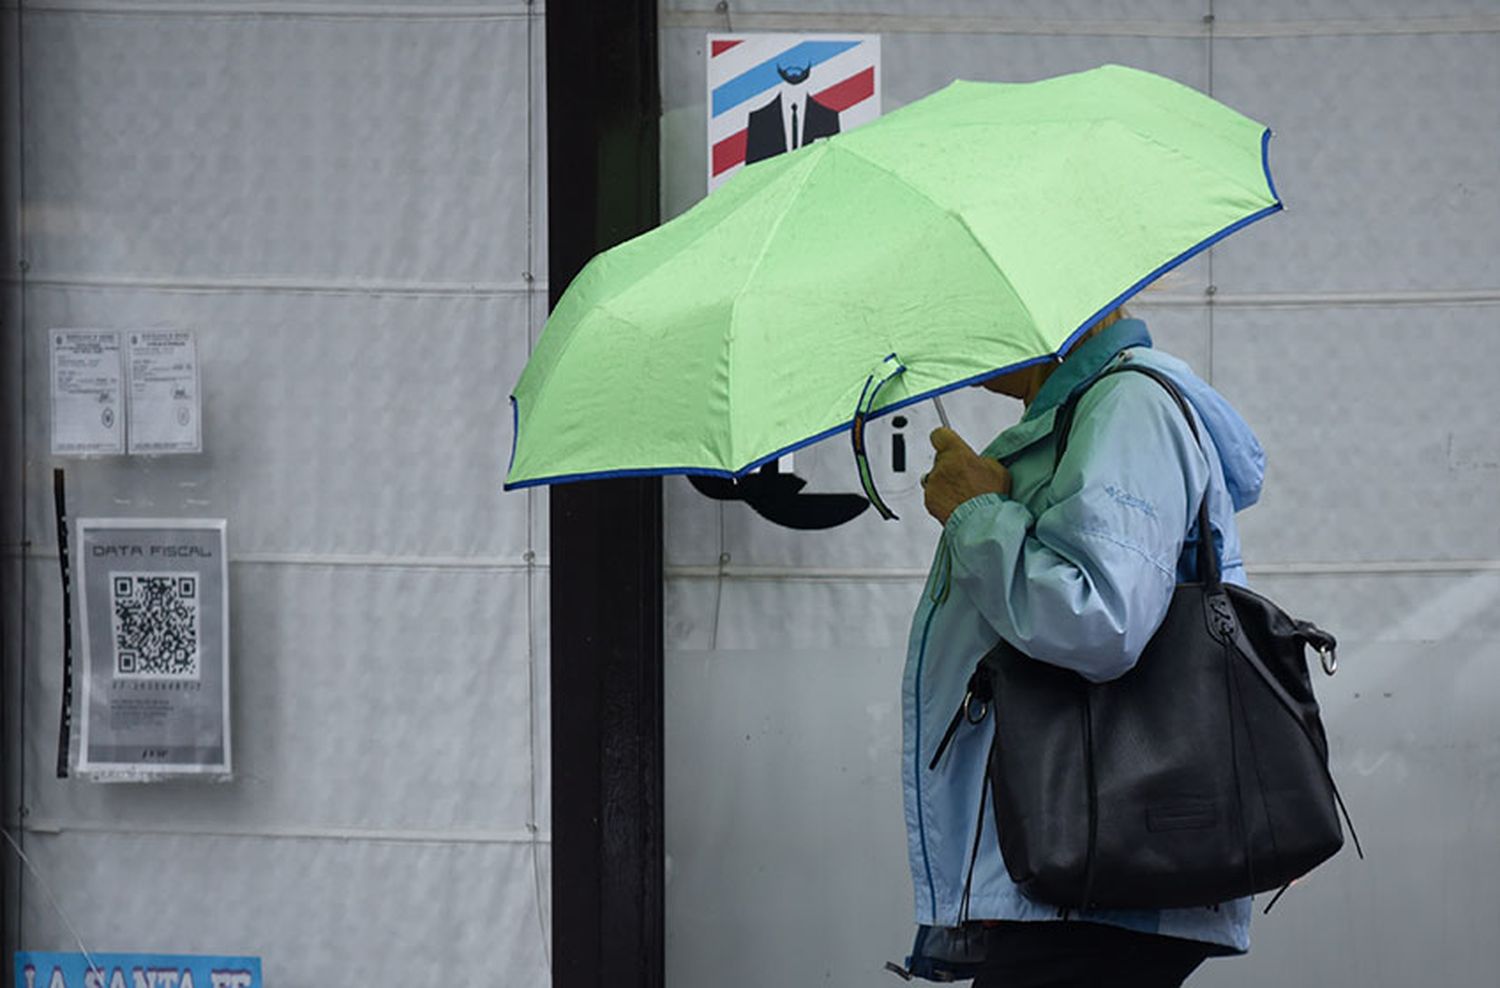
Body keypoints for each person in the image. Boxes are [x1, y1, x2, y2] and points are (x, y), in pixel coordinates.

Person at [901, 308, 1267, 987]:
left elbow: (1101, 622)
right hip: (1085, 862)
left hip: (1106, 863)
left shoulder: (1127, 407)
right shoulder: (1080, 417)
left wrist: (977, 516)